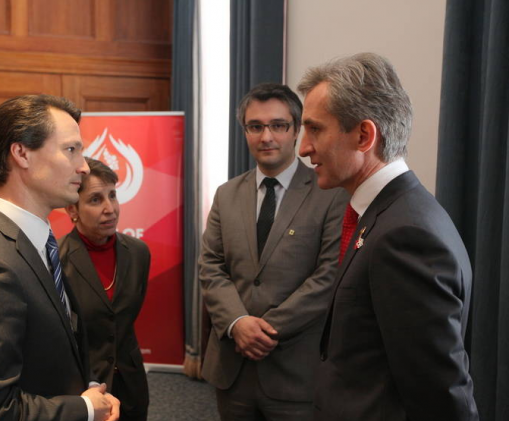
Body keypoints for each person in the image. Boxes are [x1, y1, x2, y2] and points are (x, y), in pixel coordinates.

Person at [297, 52, 479, 421]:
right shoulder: (385, 215)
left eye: (315, 129)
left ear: (364, 135)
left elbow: (440, 394)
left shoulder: (406, 235)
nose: (302, 148)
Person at [0, 95, 120, 421]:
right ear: (21, 154)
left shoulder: (38, 242)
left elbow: (47, 352)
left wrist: (87, 389)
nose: (84, 166)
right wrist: (86, 409)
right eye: (70, 149)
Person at [199, 82, 348, 420]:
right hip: (232, 367)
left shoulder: (331, 194)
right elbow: (211, 266)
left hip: (295, 370)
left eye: (278, 125)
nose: (266, 137)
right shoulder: (226, 194)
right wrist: (238, 323)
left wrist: (263, 331)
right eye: (255, 126)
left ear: (296, 130)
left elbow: (328, 276)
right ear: (245, 132)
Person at [60, 158, 150, 421]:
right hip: (81, 388)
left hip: (131, 383)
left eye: (112, 195)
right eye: (95, 199)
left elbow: (125, 321)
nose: (110, 209)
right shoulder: (57, 260)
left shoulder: (138, 253)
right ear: (72, 209)